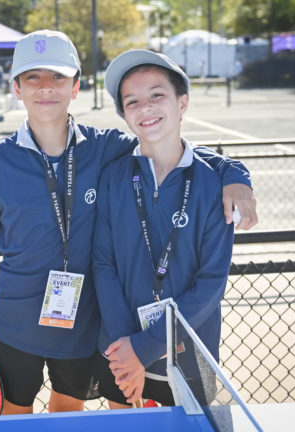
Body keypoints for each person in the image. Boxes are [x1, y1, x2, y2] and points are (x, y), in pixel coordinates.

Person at [0, 30, 256, 416]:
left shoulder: (104, 146)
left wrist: (234, 173)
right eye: (33, 77)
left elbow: (168, 141)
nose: (46, 88)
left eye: (58, 77)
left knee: (67, 414)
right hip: (16, 324)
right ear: (16, 87)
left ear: (76, 86)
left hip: (82, 324)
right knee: (14, 418)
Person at [93, 49, 237, 408]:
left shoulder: (213, 184)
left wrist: (144, 348)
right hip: (119, 347)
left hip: (191, 350)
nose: (146, 108)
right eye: (132, 102)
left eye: (157, 95)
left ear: (182, 103)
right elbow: (104, 266)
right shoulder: (113, 178)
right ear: (125, 114)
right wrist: (127, 349)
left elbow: (211, 283)